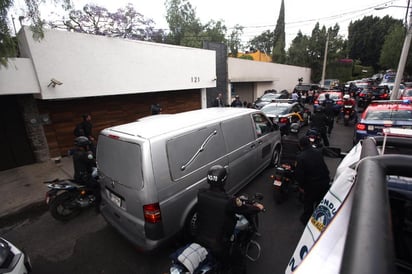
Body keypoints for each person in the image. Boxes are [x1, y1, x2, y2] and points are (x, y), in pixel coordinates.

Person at [196, 165, 264, 271]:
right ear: (223, 181)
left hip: (199, 238)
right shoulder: (229, 201)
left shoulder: (201, 193)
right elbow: (245, 209)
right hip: (219, 244)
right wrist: (257, 208)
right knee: (239, 264)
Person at [294, 136, 330, 225]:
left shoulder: (300, 157)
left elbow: (299, 175)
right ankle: (319, 222)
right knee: (320, 204)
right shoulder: (318, 152)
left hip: (311, 186)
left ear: (300, 145)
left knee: (308, 204)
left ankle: (306, 222)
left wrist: (301, 187)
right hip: (324, 183)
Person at [72, 136, 101, 212]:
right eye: (87, 145)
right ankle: (98, 208)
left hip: (78, 175)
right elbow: (93, 162)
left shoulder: (75, 152)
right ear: (84, 145)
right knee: (97, 187)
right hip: (85, 177)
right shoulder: (86, 155)